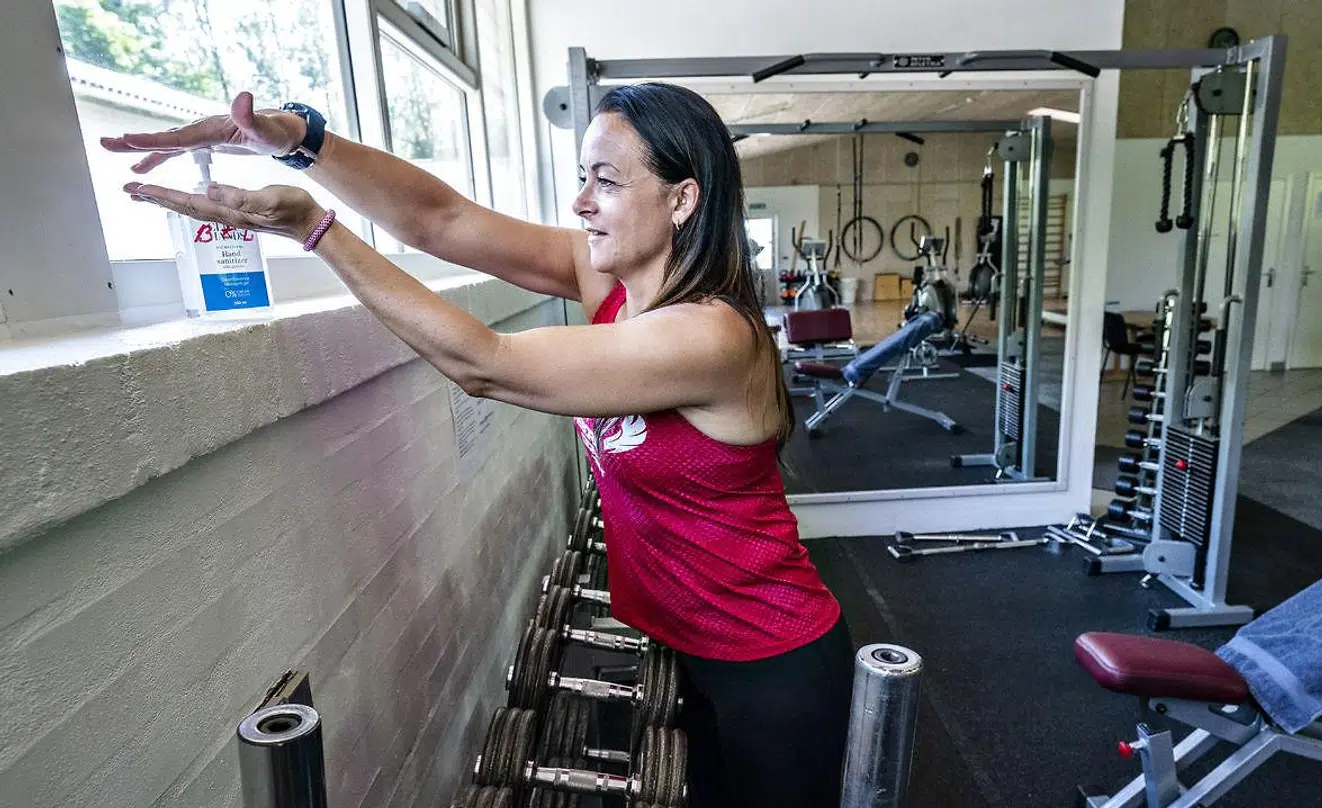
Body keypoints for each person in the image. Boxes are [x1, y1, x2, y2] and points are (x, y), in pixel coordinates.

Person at [104, 82, 853, 807]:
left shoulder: (710, 335)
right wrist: (303, 141)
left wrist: (316, 232)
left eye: (606, 181)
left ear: (682, 198)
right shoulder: (614, 289)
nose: (580, 201)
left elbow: (483, 365)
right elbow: (439, 219)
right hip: (692, 645)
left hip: (771, 661)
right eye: (580, 178)